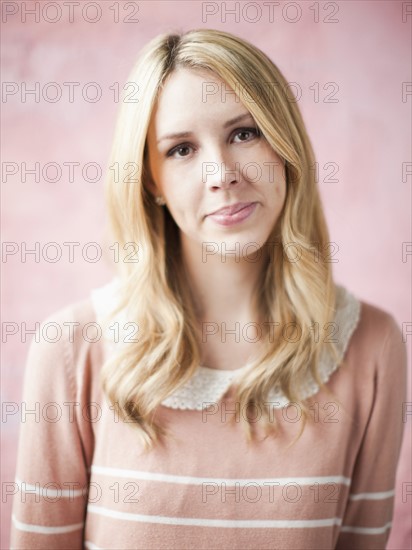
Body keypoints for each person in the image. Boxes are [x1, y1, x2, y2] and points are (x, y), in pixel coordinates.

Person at [10, 29, 407, 549]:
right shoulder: (71, 349)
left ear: (285, 142)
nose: (221, 174)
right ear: (150, 181)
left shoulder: (373, 347)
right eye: (180, 149)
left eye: (244, 133)